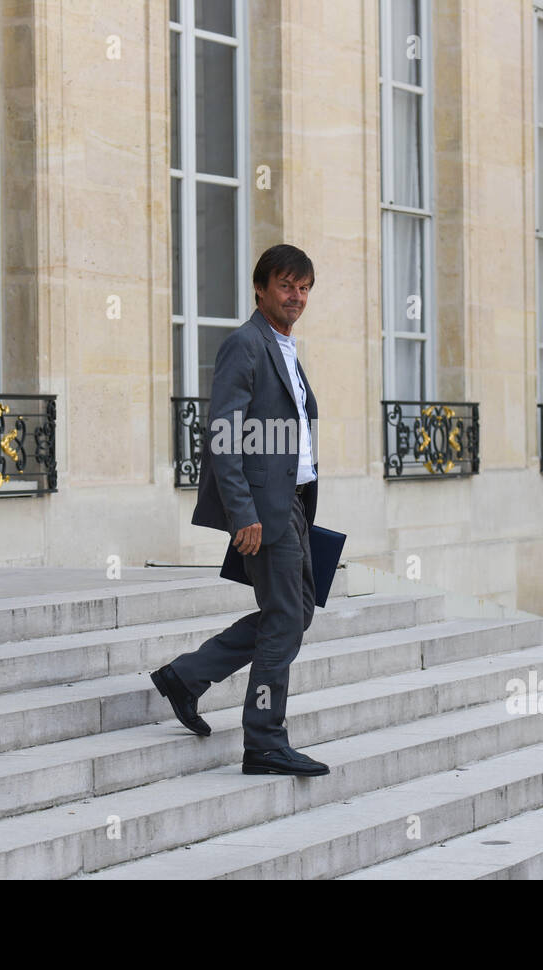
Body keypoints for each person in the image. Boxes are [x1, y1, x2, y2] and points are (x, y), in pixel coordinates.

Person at [150, 244, 326, 776]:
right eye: (284, 286)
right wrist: (242, 513)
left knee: (295, 614)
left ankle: (187, 676)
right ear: (260, 289)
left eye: (303, 288)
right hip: (264, 512)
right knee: (283, 621)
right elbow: (223, 435)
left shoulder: (287, 349)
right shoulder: (245, 345)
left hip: (294, 504)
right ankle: (264, 741)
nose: (295, 297)